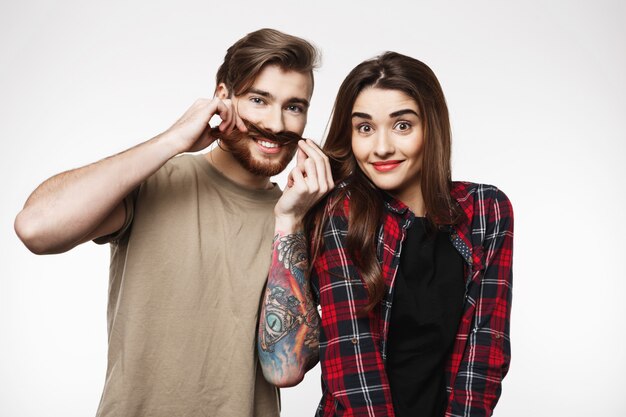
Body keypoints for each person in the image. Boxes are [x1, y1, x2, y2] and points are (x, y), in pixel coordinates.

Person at [14, 28, 332, 417]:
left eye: (294, 106)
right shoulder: (156, 181)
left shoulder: (301, 219)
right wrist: (173, 139)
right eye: (258, 100)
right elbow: (35, 227)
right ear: (222, 99)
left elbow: (286, 368)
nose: (276, 122)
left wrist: (289, 219)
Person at [259, 51, 514, 417]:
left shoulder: (487, 210)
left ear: (432, 128)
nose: (381, 148)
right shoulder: (342, 212)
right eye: (365, 128)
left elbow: (485, 348)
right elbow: (353, 361)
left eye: (402, 126)